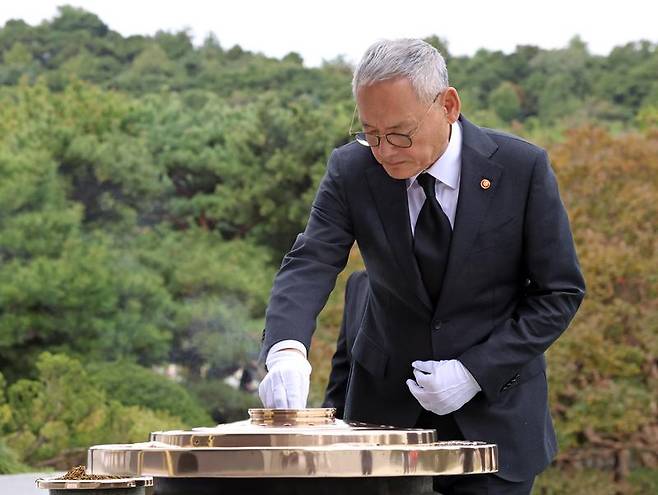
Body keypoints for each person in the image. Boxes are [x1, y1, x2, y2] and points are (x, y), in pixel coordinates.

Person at [258, 38, 585, 494]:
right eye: (370, 134)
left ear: (448, 105)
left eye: (399, 133)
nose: (385, 150)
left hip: (495, 416)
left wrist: (475, 371)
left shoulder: (521, 168)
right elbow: (311, 260)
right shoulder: (351, 170)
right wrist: (286, 350)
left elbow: (559, 292)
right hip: (382, 416)